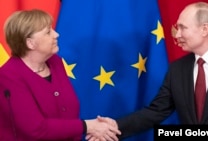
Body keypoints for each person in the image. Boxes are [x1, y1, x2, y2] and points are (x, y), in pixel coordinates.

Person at [87, 1, 208, 140]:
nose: (177, 34)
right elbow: (156, 111)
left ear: (204, 29)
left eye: (182, 28)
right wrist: (115, 126)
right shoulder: (178, 69)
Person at [0, 9, 121, 141]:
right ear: (30, 43)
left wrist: (98, 128)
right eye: (48, 32)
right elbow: (36, 129)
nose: (56, 34)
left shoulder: (55, 62)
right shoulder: (8, 76)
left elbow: (67, 114)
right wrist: (88, 126)